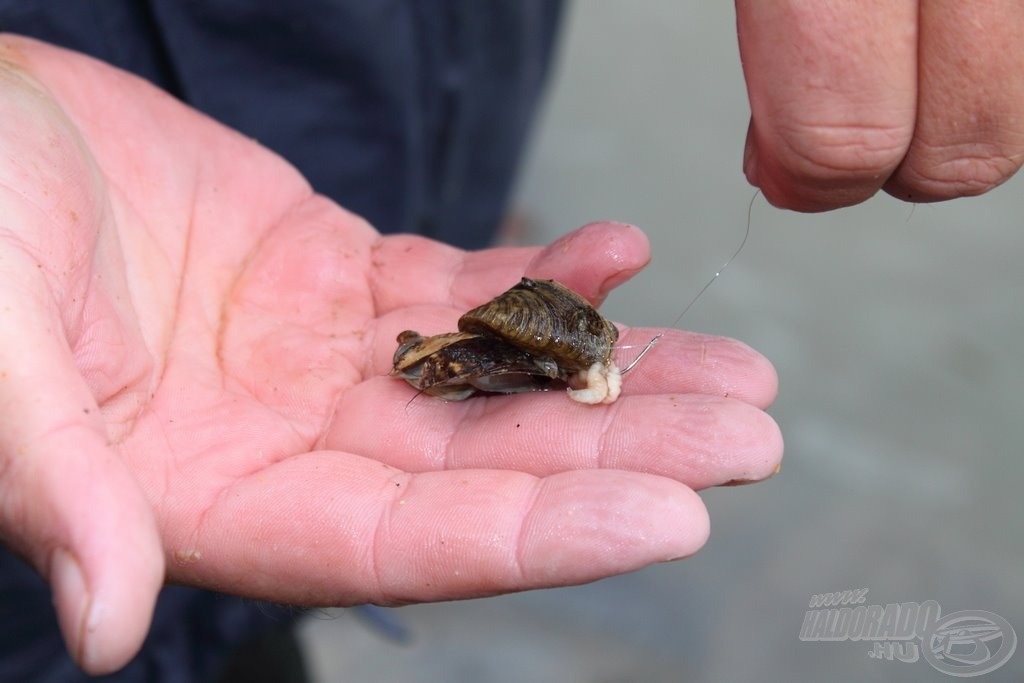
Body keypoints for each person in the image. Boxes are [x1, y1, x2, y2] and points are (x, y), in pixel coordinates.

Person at [0, 2, 1020, 680]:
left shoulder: (497, 341)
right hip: (160, 250)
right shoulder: (448, 355)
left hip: (409, 123)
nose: (431, 371)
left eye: (434, 363)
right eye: (433, 365)